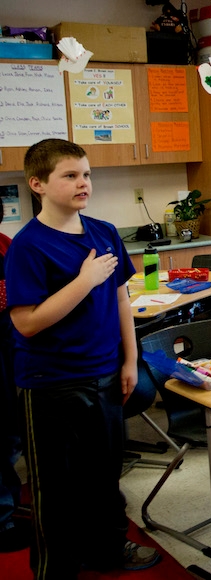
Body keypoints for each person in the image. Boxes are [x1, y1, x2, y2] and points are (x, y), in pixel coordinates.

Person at [6, 139, 160, 575]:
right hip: (50, 384)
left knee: (104, 477)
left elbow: (121, 299)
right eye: (70, 175)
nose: (83, 183)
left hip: (106, 375)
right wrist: (84, 278)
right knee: (56, 490)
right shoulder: (28, 246)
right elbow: (27, 322)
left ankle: (108, 548)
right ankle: (57, 569)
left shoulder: (104, 231)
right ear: (38, 184)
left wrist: (130, 361)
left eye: (87, 174)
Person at [0, 199, 29, 554]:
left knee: (10, 434)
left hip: (10, 352)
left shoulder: (7, 243)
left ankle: (9, 505)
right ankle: (3, 521)